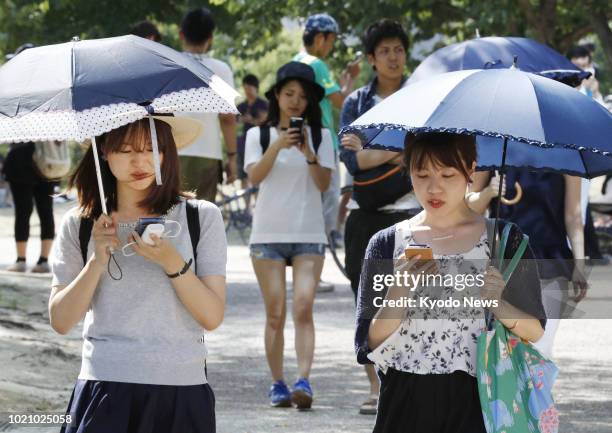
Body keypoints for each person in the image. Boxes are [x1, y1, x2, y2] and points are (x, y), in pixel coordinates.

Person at [356, 132, 546, 433]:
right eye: (422, 174)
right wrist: (400, 289)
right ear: (408, 170)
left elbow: (534, 330)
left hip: (481, 397)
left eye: (447, 174)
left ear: (471, 170)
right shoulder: (386, 243)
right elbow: (370, 342)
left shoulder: (504, 240)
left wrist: (499, 304)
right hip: (405, 398)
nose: (435, 187)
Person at [50, 116, 226, 432]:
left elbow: (212, 316)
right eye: (126, 149)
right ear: (104, 150)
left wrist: (172, 262)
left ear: (166, 153)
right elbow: (61, 320)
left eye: (151, 149)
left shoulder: (201, 217)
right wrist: (96, 263)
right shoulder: (82, 224)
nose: (139, 160)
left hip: (180, 390)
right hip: (104, 385)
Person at [339, 19, 421, 415]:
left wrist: (375, 148)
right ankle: (375, 387)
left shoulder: (422, 97)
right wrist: (401, 149)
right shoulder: (356, 103)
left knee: (416, 301)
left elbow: (427, 154)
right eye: (385, 51)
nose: (393, 57)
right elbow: (353, 161)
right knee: (370, 302)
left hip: (412, 212)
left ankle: (405, 383)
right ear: (371, 59)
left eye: (399, 50)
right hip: (365, 216)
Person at [244, 62, 334, 409]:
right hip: (267, 235)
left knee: (303, 308)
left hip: (309, 234)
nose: (296, 101)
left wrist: (309, 153)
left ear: (311, 100)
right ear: (277, 97)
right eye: (289, 94)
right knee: (275, 314)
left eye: (302, 95)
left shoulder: (322, 136)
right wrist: (278, 146)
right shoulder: (259, 135)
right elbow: (254, 177)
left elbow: (324, 184)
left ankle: (304, 381)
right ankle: (277, 382)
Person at [469, 167, 586, 358]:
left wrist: (579, 264)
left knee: (542, 346)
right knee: (503, 347)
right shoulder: (495, 148)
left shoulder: (565, 154)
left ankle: (540, 388)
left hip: (551, 261)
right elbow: (469, 206)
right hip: (503, 261)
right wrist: (488, 192)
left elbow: (574, 215)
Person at [293, 13, 360, 250]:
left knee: (310, 200)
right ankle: (319, 253)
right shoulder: (317, 64)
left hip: (301, 136)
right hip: (321, 138)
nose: (330, 46)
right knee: (328, 200)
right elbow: (340, 101)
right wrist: (351, 79)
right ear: (320, 38)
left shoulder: (297, 61)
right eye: (330, 40)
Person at [177, 7, 238, 201]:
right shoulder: (221, 69)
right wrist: (232, 157)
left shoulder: (166, 63)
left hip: (171, 154)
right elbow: (228, 119)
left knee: (170, 219)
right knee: (202, 219)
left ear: (181, 34)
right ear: (211, 38)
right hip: (208, 154)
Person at [2, 141, 58, 273]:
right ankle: (42, 261)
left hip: (22, 159)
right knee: (45, 211)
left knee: (24, 212)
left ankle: (22, 261)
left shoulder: (15, 120)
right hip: (46, 161)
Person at [237, 74, 268, 189]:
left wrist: (252, 120)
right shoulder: (240, 106)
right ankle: (246, 206)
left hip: (258, 144)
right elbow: (234, 122)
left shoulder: (263, 104)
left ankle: (256, 203)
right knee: (242, 176)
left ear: (256, 88)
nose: (247, 92)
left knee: (256, 175)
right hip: (242, 145)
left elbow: (266, 122)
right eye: (245, 89)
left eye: (249, 89)